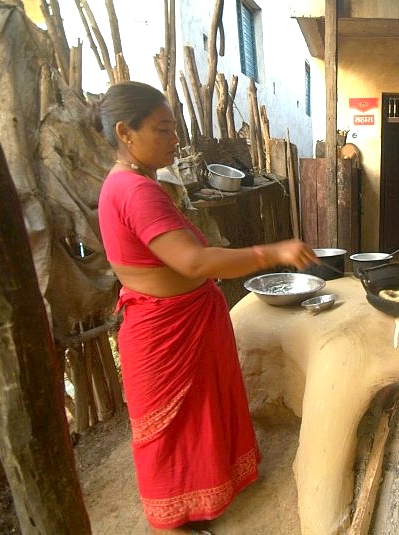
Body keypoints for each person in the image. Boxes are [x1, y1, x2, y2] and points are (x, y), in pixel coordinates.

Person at [91, 81, 318, 534]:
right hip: (164, 329)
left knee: (199, 415)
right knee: (171, 430)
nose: (175, 139)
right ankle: (174, 520)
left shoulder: (135, 184)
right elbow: (192, 261)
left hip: (182, 320)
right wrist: (270, 253)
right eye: (163, 130)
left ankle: (206, 493)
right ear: (125, 132)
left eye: (174, 128)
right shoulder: (135, 191)